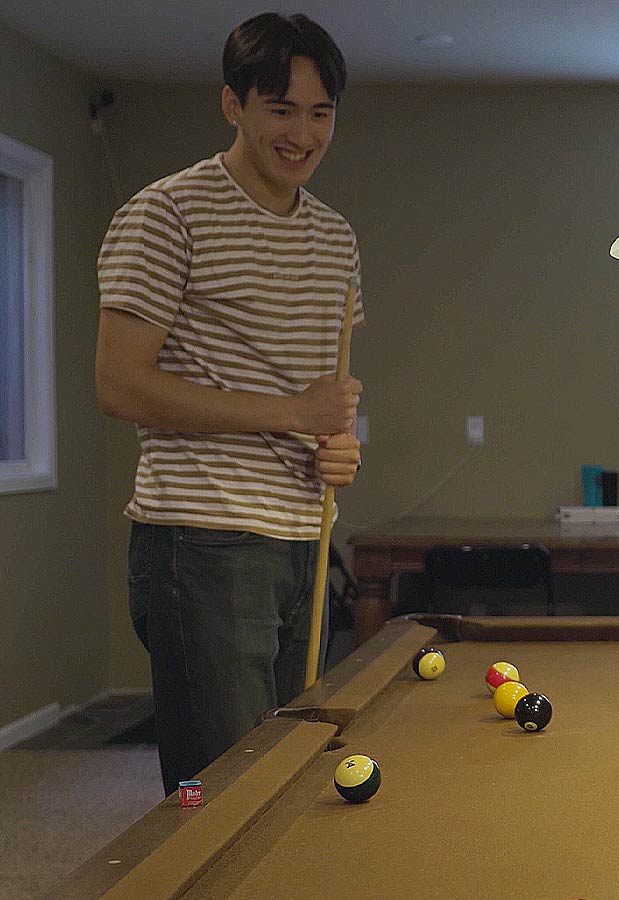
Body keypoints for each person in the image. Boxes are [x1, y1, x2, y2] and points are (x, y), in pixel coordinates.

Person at [94, 12, 364, 795]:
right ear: (233, 105)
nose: (302, 133)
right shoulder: (165, 214)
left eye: (321, 113)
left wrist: (339, 445)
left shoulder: (336, 239)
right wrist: (293, 414)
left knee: (285, 779)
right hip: (201, 540)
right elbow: (120, 385)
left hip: (303, 537)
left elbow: (323, 395)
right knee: (224, 790)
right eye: (280, 108)